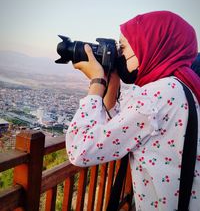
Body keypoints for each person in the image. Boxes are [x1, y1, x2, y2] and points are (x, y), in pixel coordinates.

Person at [65, 11, 200, 210]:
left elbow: (80, 149)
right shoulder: (180, 87)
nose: (121, 54)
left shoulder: (157, 94)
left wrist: (97, 81)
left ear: (151, 44)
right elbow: (117, 127)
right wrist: (112, 80)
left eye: (124, 46)